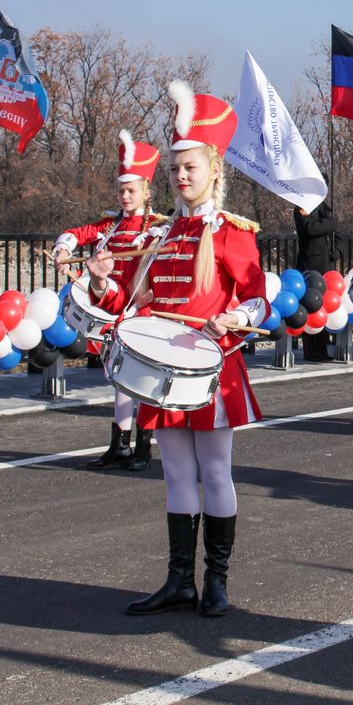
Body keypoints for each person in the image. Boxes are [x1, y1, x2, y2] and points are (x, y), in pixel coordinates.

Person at [86, 82, 269, 618]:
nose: (181, 176)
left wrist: (235, 318)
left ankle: (216, 582)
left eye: (190, 166)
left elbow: (258, 300)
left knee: (215, 473)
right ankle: (178, 581)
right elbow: (136, 303)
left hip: (213, 371)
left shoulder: (234, 233)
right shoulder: (163, 235)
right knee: (173, 476)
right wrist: (101, 285)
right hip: (164, 372)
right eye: (174, 169)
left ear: (215, 168)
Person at [53, 130, 163, 470]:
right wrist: (63, 248)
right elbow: (77, 233)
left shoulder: (159, 227)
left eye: (131, 190)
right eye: (120, 190)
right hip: (114, 310)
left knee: (142, 381)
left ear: (145, 189)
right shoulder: (110, 226)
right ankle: (120, 445)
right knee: (118, 379)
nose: (124, 196)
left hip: (144, 313)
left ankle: (144, 447)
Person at [294, 179, 336, 363]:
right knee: (312, 306)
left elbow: (337, 233)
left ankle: (323, 348)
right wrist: (330, 224)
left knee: (324, 307)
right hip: (311, 265)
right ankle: (312, 350)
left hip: (325, 264)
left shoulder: (324, 208)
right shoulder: (302, 206)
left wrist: (337, 251)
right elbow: (309, 228)